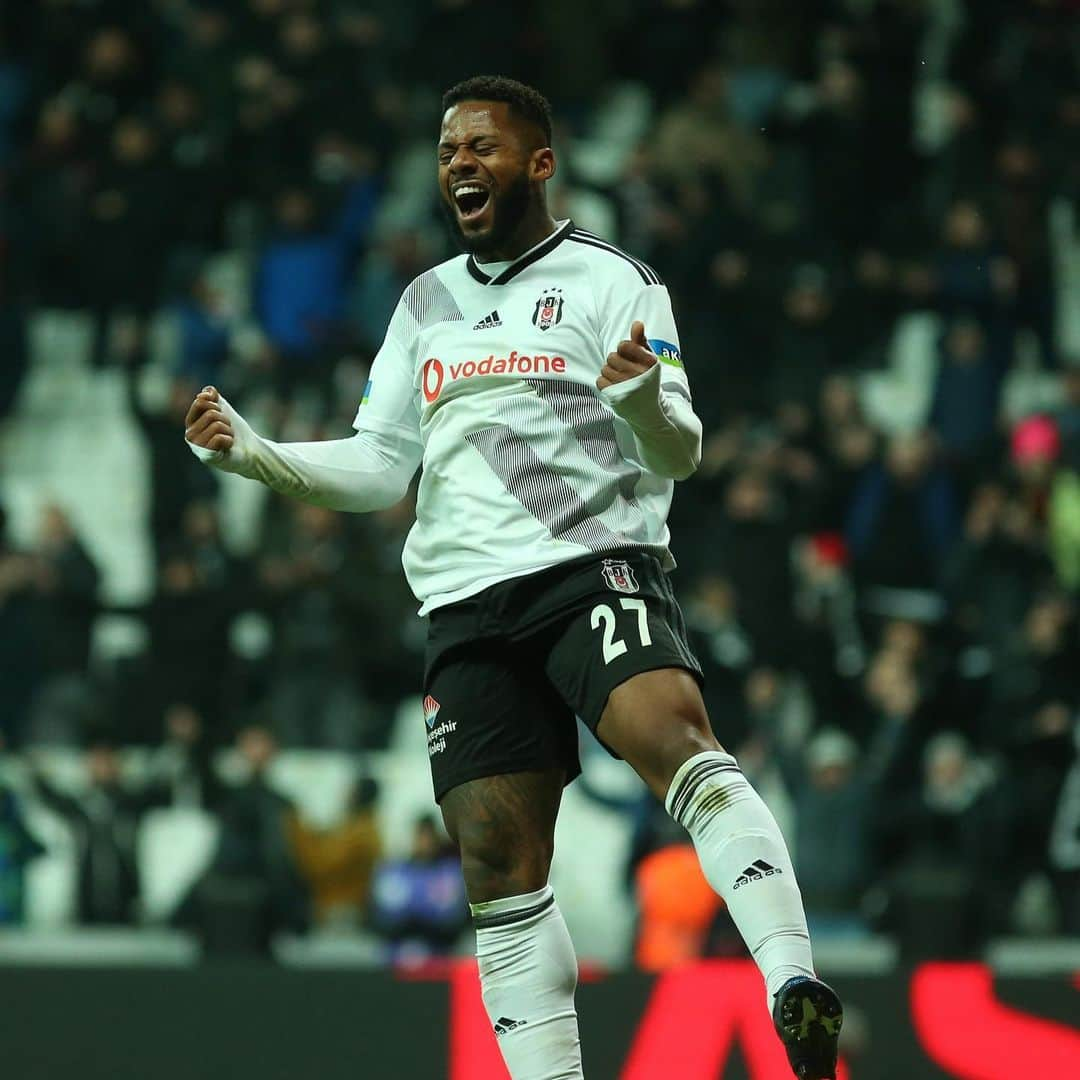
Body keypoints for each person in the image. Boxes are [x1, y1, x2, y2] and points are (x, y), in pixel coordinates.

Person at [184, 76, 841, 1079]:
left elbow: (680, 451)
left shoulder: (614, 281)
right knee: (498, 865)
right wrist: (254, 455)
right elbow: (378, 464)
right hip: (463, 608)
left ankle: (792, 979)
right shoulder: (424, 302)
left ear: (539, 163)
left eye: (480, 147)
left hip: (588, 563)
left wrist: (641, 404)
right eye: (448, 150)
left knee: (672, 734)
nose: (457, 164)